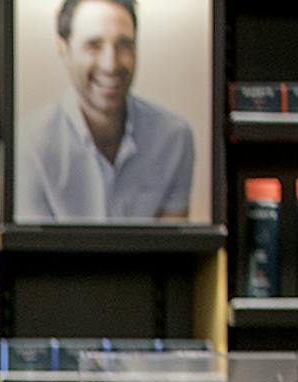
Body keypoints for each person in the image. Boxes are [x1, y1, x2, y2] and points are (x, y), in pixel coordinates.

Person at [16, 0, 195, 223]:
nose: (111, 64)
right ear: (64, 47)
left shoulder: (174, 138)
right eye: (94, 45)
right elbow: (30, 254)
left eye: (124, 45)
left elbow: (175, 251)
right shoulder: (27, 143)